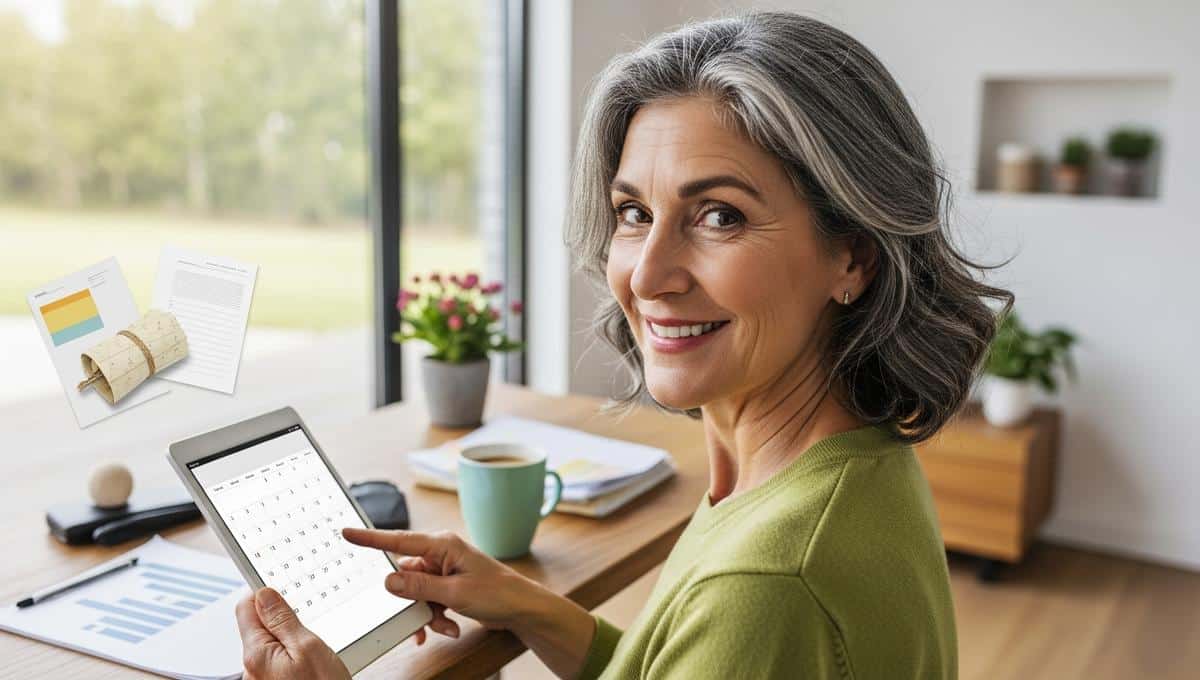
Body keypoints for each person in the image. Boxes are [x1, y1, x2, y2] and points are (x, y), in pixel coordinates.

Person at [235, 11, 1011, 679]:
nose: (648, 274)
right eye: (634, 212)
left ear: (854, 256)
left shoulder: (771, 581)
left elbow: (746, 621)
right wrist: (530, 605)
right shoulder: (834, 471)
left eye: (720, 216)